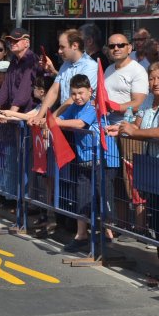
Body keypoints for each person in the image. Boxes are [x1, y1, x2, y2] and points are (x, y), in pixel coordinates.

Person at [110, 61, 159, 283]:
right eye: (152, 78)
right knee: (158, 220)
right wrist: (122, 129)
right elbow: (134, 125)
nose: (155, 83)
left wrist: (134, 132)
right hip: (152, 167)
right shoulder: (148, 100)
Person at [52, 74, 103, 252]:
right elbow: (62, 118)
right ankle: (81, 235)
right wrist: (57, 121)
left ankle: (107, 236)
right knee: (82, 197)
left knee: (102, 197)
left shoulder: (93, 105)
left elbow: (80, 124)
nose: (77, 97)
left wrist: (58, 122)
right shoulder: (74, 106)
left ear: (90, 91)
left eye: (81, 93)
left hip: (100, 159)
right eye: (73, 94)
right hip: (83, 159)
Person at [31, 29, 97, 125]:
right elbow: (54, 91)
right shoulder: (65, 64)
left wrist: (51, 120)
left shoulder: (90, 66)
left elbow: (74, 97)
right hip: (64, 119)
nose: (59, 51)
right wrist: (39, 116)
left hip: (81, 123)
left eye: (62, 47)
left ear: (75, 46)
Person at [103, 33, 149, 125]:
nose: (116, 49)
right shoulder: (108, 69)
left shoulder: (138, 70)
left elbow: (139, 104)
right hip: (106, 124)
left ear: (129, 48)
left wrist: (114, 107)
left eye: (121, 45)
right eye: (112, 46)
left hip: (127, 127)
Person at [0, 28, 40, 113]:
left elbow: (24, 89)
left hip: (29, 114)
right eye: (10, 41)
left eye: (16, 41)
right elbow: (6, 86)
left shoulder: (32, 60)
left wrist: (11, 113)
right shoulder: (14, 60)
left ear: (27, 43)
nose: (12, 43)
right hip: (16, 113)